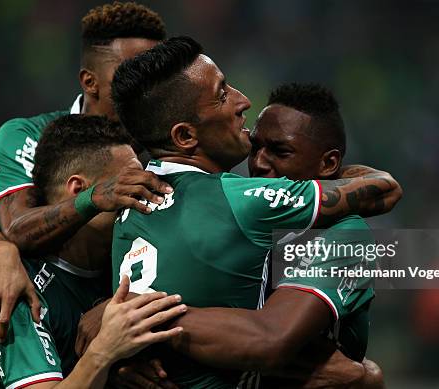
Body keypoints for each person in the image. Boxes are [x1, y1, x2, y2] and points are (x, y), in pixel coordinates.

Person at [107, 36, 401, 387]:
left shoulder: (120, 206)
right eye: (221, 94)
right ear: (185, 136)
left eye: (280, 151)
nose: (242, 100)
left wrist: (117, 321)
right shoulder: (244, 201)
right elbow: (384, 190)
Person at [0, 1, 172, 341]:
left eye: (156, 77)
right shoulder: (28, 136)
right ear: (91, 82)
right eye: (132, 76)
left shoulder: (162, 151)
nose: (147, 90)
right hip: (32, 321)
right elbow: (17, 229)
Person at [0, 115, 187, 389]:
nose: (142, 195)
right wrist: (106, 351)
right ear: (78, 189)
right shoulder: (17, 291)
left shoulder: (121, 266)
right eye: (130, 183)